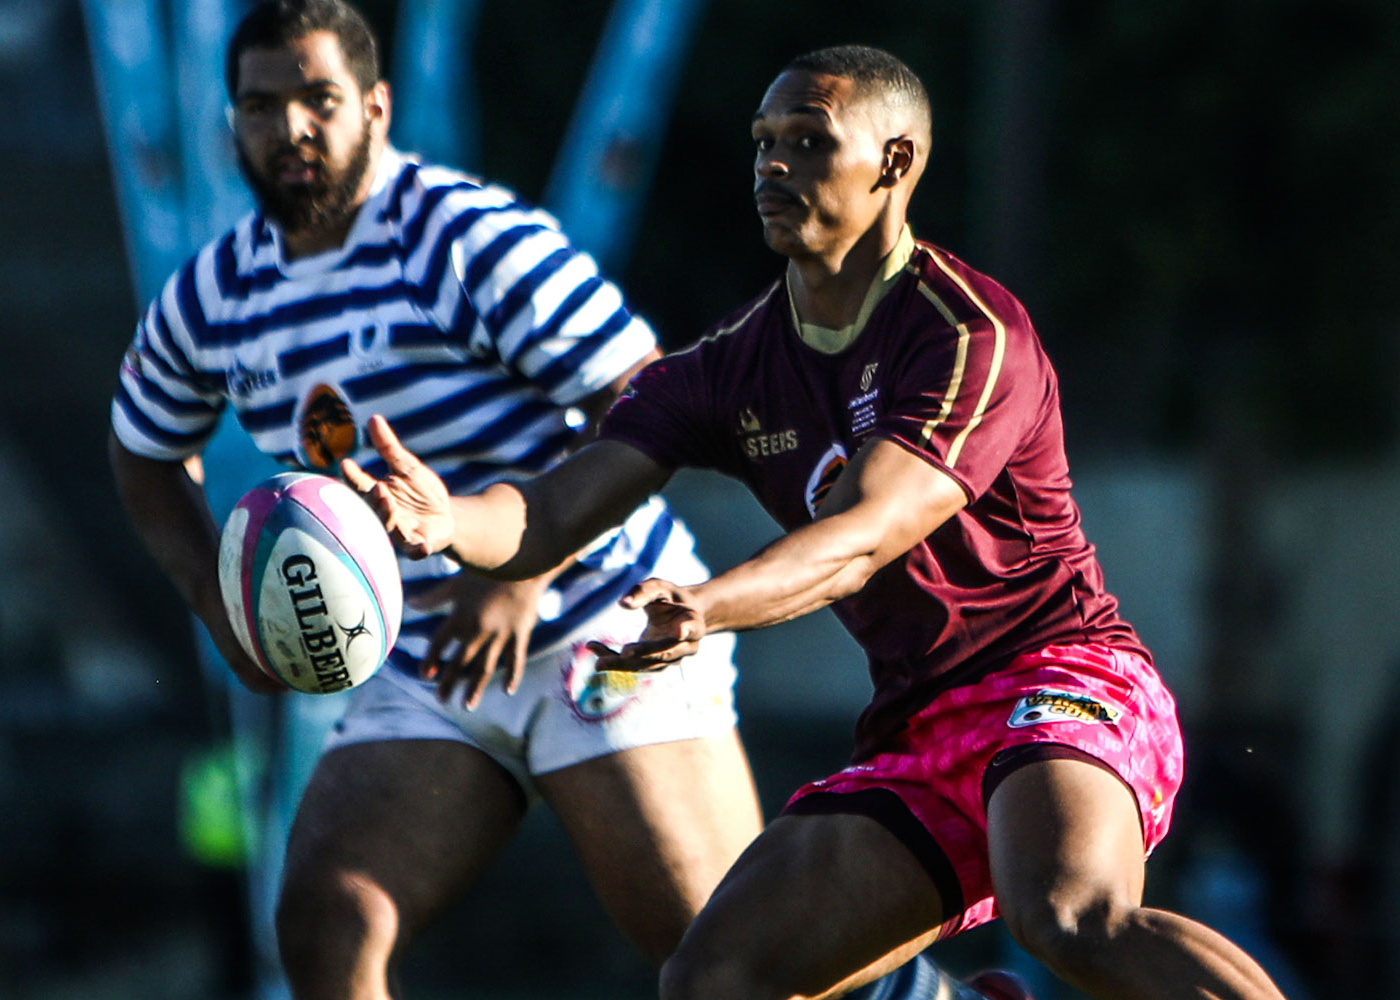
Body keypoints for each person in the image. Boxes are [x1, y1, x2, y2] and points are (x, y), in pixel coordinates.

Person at [345, 44, 1291, 1000]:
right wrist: (448, 519)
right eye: (763, 141)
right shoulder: (729, 368)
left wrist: (709, 605)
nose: (772, 164)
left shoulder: (969, 332)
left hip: (1059, 677)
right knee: (714, 978)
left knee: (1067, 912)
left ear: (894, 162)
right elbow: (552, 511)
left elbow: (864, 534)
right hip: (918, 727)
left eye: (808, 141)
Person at [106, 2, 779, 997]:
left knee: (730, 969)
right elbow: (142, 451)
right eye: (259, 106)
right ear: (231, 122)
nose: (289, 127)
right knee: (326, 924)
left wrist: (522, 572)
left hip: (600, 621)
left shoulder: (467, 236)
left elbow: (651, 396)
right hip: (425, 663)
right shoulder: (215, 295)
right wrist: (220, 608)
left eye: (318, 100)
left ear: (375, 107)